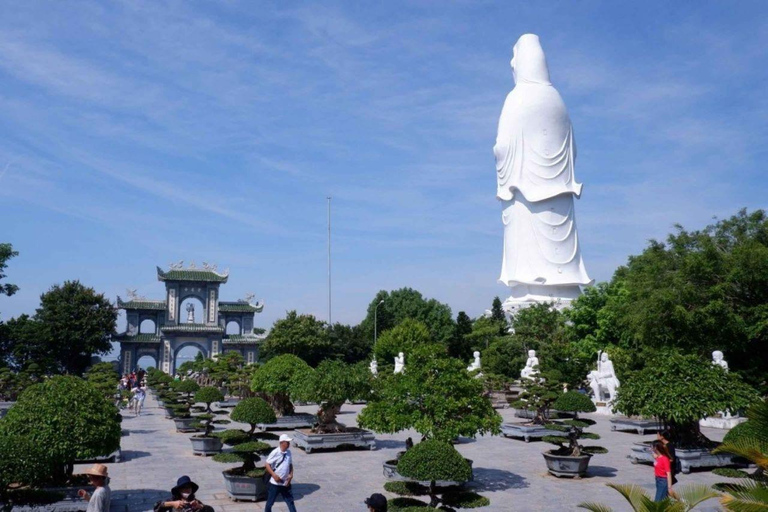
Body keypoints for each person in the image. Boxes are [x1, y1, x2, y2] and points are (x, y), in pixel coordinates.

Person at [265, 434, 297, 512]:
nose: (289, 444)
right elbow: (267, 464)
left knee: (290, 501)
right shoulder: (275, 452)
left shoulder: (288, 452)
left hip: (285, 483)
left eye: (289, 442)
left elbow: (290, 464)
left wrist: (291, 475)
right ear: (282, 442)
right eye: (287, 442)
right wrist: (274, 475)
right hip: (275, 484)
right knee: (270, 503)